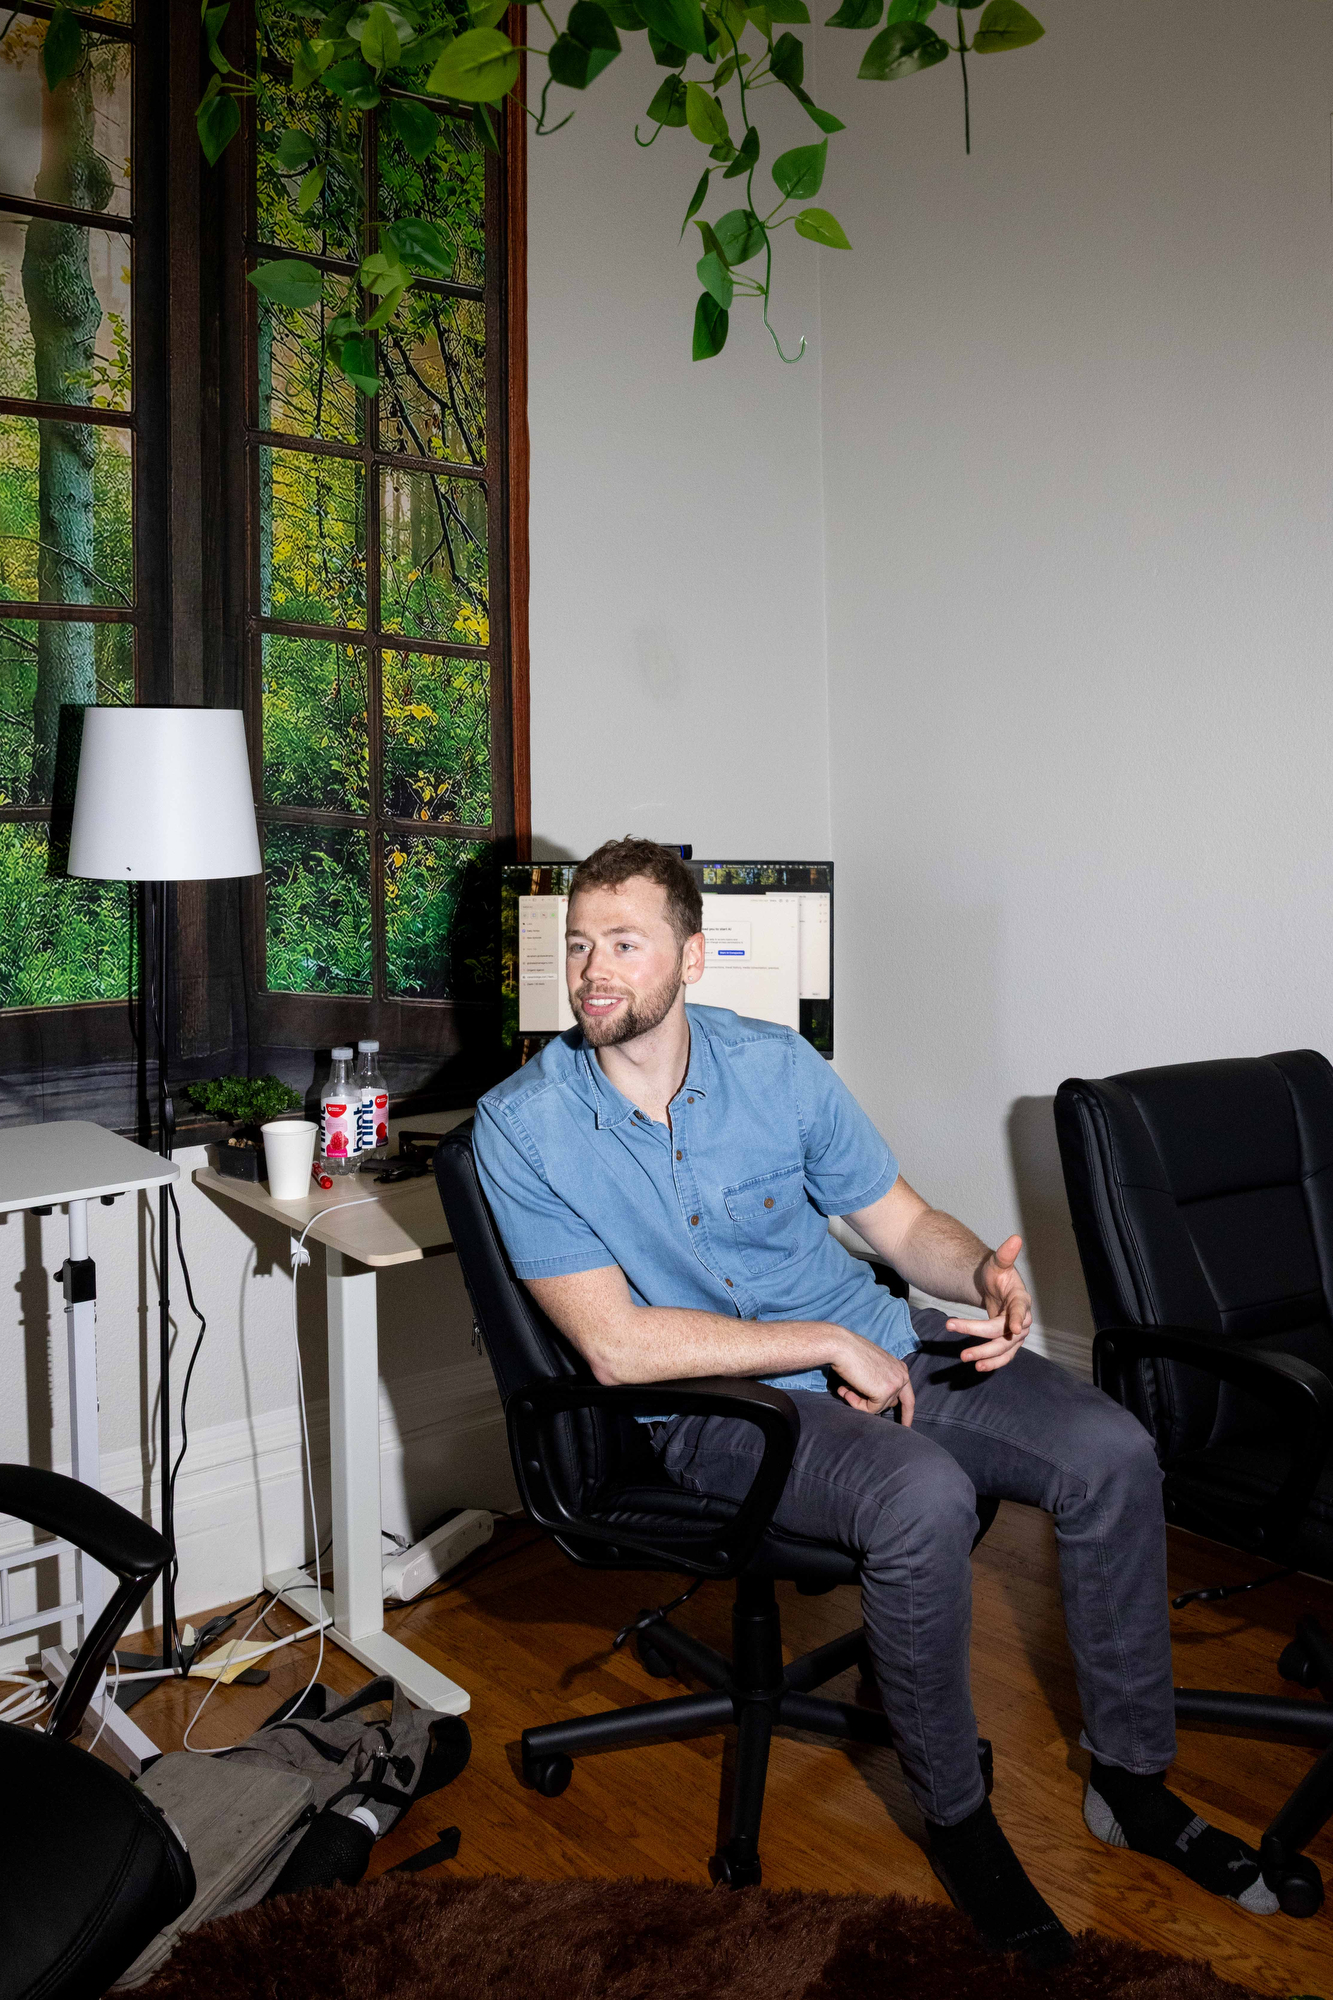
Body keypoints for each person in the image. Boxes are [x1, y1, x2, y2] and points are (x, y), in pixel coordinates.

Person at [474, 837, 1277, 1965]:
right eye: (576, 944)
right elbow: (613, 1346)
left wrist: (981, 1276)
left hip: (885, 1338)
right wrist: (826, 1341)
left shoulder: (778, 1066)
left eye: (622, 941)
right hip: (722, 1406)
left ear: (691, 957)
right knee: (922, 1496)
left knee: (1109, 1448)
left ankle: (1133, 1780)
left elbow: (900, 1225)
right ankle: (956, 1814)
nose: (591, 968)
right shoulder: (525, 1125)